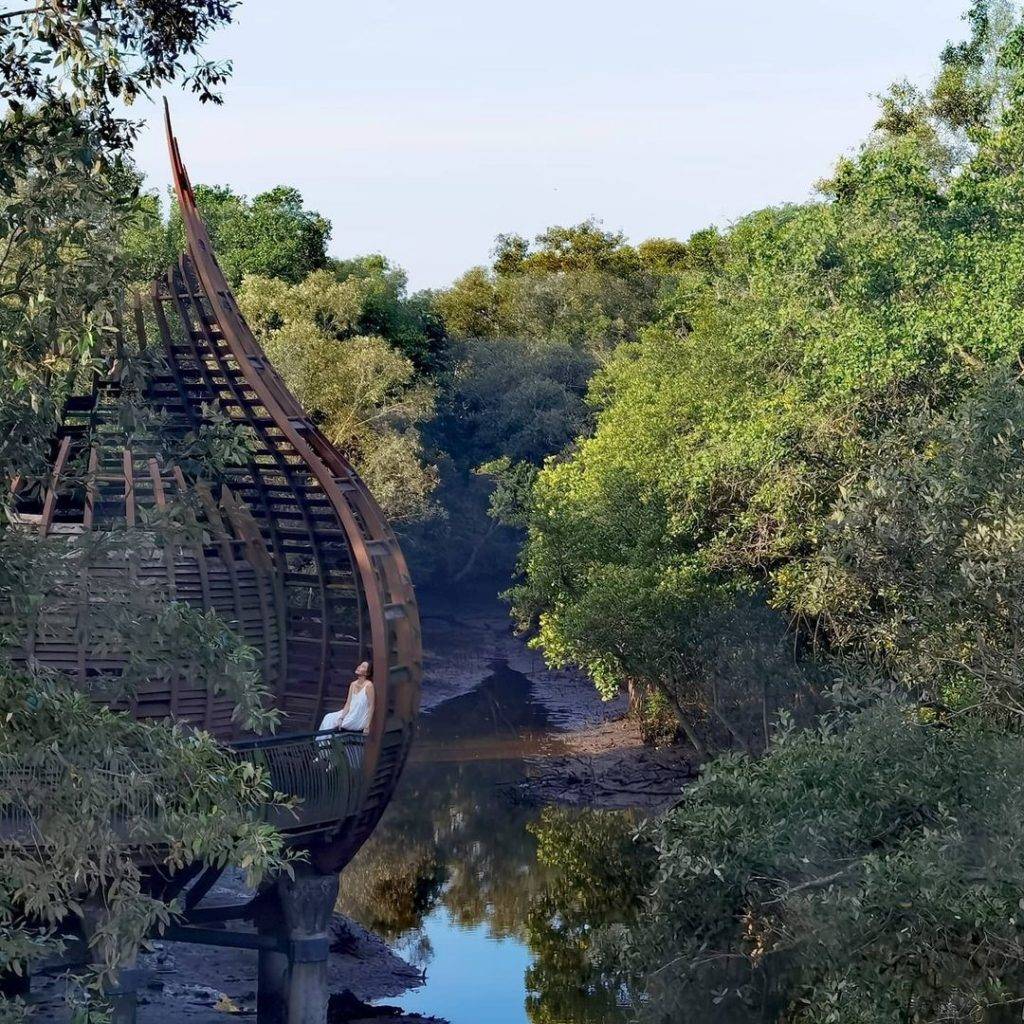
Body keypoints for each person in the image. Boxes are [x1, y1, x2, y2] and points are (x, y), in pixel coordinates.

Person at [318, 661, 375, 736]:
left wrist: (367, 726)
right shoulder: (353, 684)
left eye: (363, 667)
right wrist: (341, 717)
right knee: (328, 717)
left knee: (333, 724)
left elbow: (371, 706)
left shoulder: (369, 686)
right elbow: (348, 703)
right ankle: (324, 746)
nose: (359, 667)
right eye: (360, 665)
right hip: (349, 713)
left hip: (358, 717)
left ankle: (327, 745)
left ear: (367, 673)